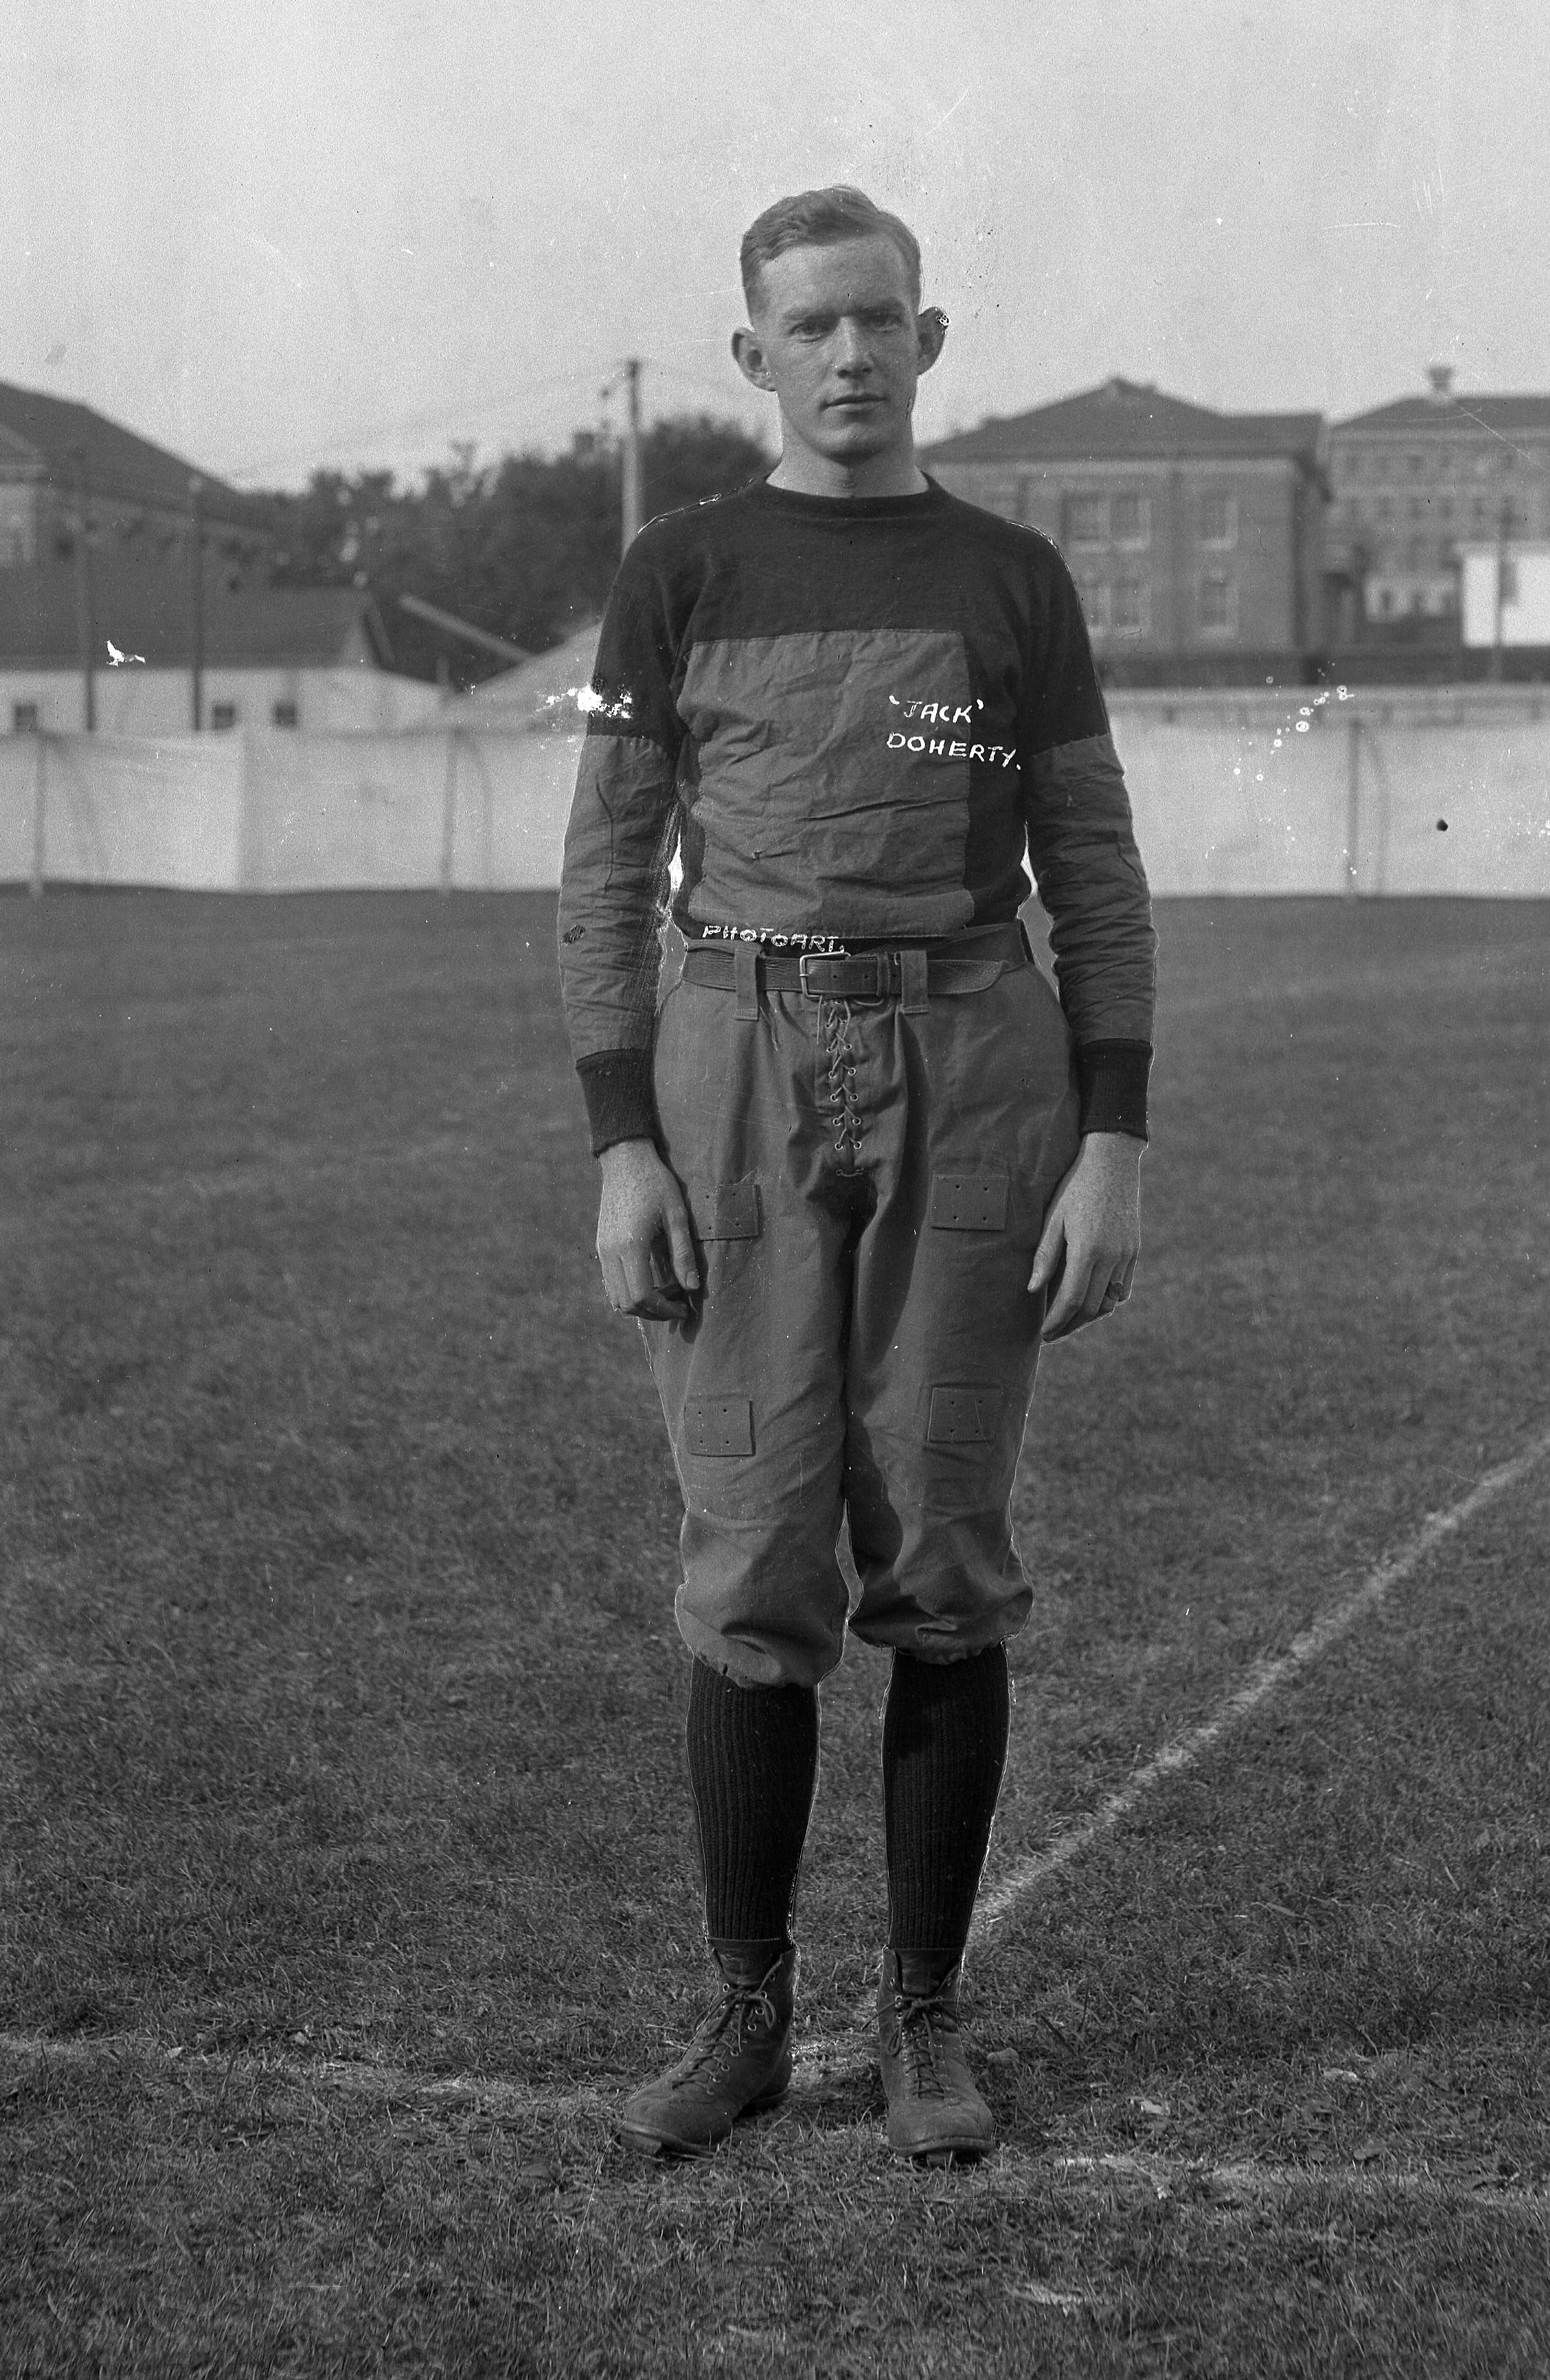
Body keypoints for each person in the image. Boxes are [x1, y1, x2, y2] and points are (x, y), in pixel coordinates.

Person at [555, 185, 1156, 2164]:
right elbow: (602, 870)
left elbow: (1093, 868)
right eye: (809, 325)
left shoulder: (1011, 577)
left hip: (974, 1064)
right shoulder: (679, 568)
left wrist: (1115, 1141)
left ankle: (920, 2015)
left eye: (878, 318)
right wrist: (623, 1135)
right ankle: (743, 2010)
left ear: (931, 333)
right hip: (734, 1066)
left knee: (947, 1562)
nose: (847, 354)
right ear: (752, 355)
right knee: (748, 1559)